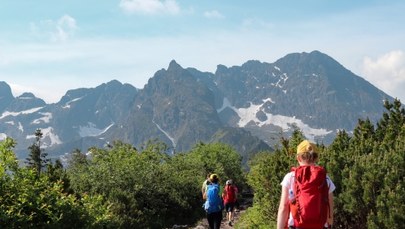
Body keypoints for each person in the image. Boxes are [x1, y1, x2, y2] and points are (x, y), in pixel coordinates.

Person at [277, 140, 335, 229]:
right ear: (316, 158)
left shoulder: (290, 177)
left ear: (298, 158)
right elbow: (330, 206)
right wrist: (329, 225)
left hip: (297, 226)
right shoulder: (325, 178)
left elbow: (283, 207)